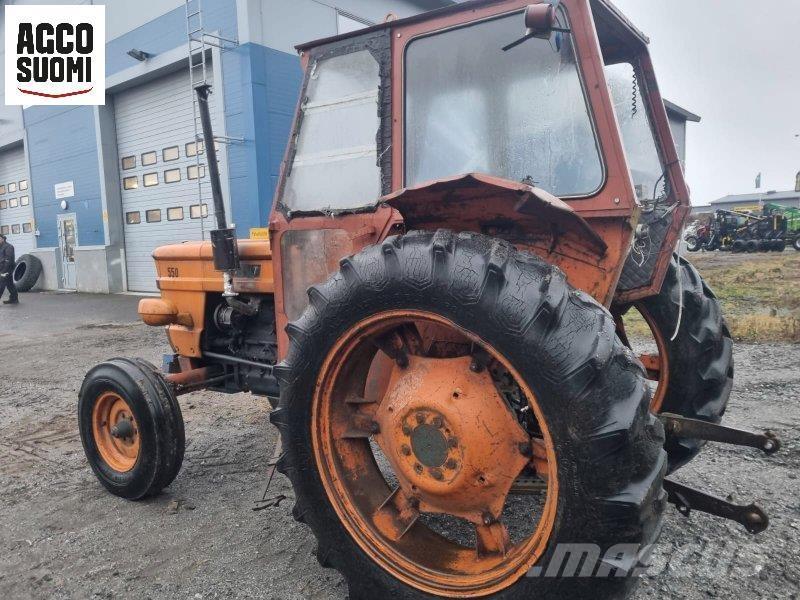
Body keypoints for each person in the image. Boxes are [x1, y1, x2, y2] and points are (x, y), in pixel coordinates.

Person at [0, 233, 19, 305]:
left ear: (2, 238)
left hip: (7, 268)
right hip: (2, 268)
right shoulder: (1, 247)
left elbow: (9, 259)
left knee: (1, 284)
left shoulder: (8, 247)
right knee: (9, 284)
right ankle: (14, 299)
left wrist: (4, 271)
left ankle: (14, 299)